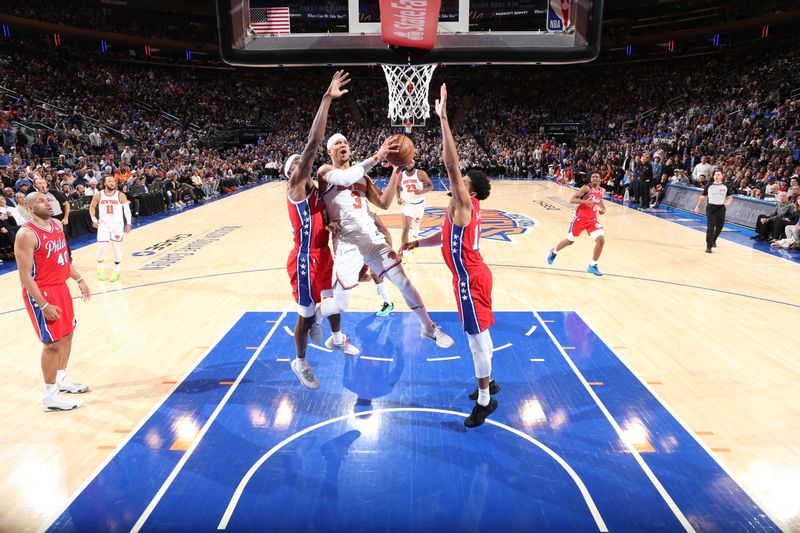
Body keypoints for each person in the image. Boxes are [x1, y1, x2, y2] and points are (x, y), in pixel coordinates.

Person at [400, 83, 498, 428]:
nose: (457, 178)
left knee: (476, 341)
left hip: (470, 279)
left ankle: (485, 400)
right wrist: (416, 243)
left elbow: (451, 163)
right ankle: (491, 380)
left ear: (467, 188)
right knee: (481, 336)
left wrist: (443, 119)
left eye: (462, 179)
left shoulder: (464, 203)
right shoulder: (459, 210)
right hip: (474, 273)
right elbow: (445, 240)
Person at [317, 132, 454, 349]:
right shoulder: (325, 171)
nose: (343, 145)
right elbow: (345, 179)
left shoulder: (364, 177)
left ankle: (428, 328)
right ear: (329, 151)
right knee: (341, 305)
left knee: (404, 282)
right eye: (337, 143)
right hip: (347, 244)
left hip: (372, 241)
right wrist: (377, 156)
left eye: (345, 142)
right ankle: (315, 316)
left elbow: (384, 202)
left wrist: (397, 172)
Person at [284, 71, 355, 389]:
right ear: (292, 173)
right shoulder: (296, 187)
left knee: (334, 299)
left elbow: (321, 219)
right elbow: (313, 145)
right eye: (299, 163)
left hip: (323, 253)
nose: (305, 164)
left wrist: (332, 224)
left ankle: (336, 337)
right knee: (305, 313)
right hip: (304, 259)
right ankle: (299, 362)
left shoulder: (314, 192)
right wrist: (327, 99)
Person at [14, 191, 91, 411]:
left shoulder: (57, 224)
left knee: (67, 334)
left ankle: (61, 380)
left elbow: (63, 258)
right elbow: (25, 276)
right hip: (42, 291)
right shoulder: (26, 234)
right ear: (29, 208)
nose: (47, 203)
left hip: (61, 287)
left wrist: (79, 279)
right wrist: (44, 305)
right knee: (53, 343)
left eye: (48, 199)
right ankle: (50, 396)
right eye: (40, 201)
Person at [547, 172, 607, 276]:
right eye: (593, 176)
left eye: (597, 176)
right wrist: (584, 202)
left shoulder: (602, 190)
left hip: (592, 220)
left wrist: (603, 210)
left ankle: (593, 265)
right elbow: (572, 199)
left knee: (601, 240)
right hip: (580, 219)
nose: (594, 178)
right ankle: (554, 252)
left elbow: (600, 202)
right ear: (591, 179)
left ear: (600, 180)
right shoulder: (586, 188)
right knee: (570, 241)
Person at [89, 175, 132, 281]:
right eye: (109, 181)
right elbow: (92, 207)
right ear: (104, 183)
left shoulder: (120, 195)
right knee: (101, 248)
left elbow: (126, 210)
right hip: (103, 225)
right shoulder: (98, 195)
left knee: (117, 248)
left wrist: (129, 223)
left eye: (113, 181)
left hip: (117, 225)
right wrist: (93, 219)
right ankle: (100, 268)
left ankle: (117, 270)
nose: (112, 183)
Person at [397, 160, 433, 260]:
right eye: (407, 162)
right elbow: (397, 186)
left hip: (419, 205)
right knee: (405, 228)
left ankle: (413, 242)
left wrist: (421, 192)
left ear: (414, 163)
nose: (409, 164)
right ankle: (403, 252)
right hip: (407, 204)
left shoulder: (421, 173)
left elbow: (431, 185)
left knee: (415, 231)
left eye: (411, 162)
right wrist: (398, 197)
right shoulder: (401, 175)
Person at [694, 169, 732, 253]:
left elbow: (730, 196)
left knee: (720, 226)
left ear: (722, 176)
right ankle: (709, 246)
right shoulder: (709, 185)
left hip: (721, 208)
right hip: (711, 208)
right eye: (715, 175)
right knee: (710, 227)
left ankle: (713, 240)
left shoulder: (726, 186)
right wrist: (697, 206)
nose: (717, 176)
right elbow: (703, 196)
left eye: (718, 174)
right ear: (713, 176)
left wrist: (728, 201)